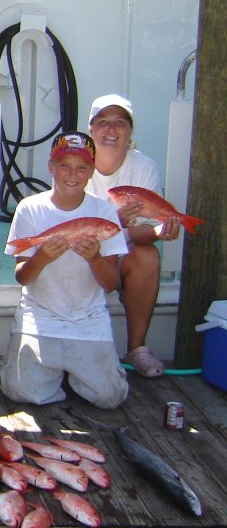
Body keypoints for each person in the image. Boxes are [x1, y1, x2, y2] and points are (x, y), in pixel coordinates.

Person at [0, 132, 130, 409]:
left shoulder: (104, 212)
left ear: (92, 172)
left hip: (88, 319)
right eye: (64, 166)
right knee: (19, 391)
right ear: (50, 167)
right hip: (41, 316)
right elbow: (22, 276)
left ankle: (65, 375)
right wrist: (41, 258)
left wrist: (95, 258)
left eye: (82, 167)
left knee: (110, 397)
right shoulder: (30, 208)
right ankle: (61, 374)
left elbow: (110, 284)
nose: (72, 174)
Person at [86, 94, 178, 378]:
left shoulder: (144, 167)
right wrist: (117, 222)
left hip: (122, 257)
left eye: (120, 123)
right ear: (90, 130)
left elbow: (144, 234)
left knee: (148, 255)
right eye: (103, 122)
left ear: (130, 130)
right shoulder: (76, 166)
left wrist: (161, 231)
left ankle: (137, 349)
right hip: (85, 253)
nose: (111, 130)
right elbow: (72, 225)